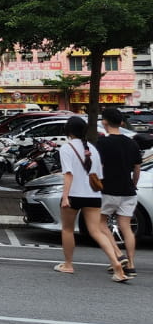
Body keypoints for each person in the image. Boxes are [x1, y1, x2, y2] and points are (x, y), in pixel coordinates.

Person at [54, 115, 129, 281]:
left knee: (67, 229)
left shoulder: (66, 148)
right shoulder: (93, 149)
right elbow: (98, 176)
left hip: (74, 195)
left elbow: (68, 175)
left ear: (68, 131)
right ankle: (116, 264)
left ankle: (68, 265)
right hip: (93, 196)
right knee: (97, 231)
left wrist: (65, 197)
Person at [97, 107, 143, 276]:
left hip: (108, 190)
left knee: (100, 224)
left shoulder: (102, 143)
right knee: (126, 228)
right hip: (128, 191)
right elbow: (137, 169)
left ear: (104, 122)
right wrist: (134, 184)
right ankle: (130, 264)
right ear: (122, 122)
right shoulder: (132, 143)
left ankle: (117, 254)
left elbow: (99, 168)